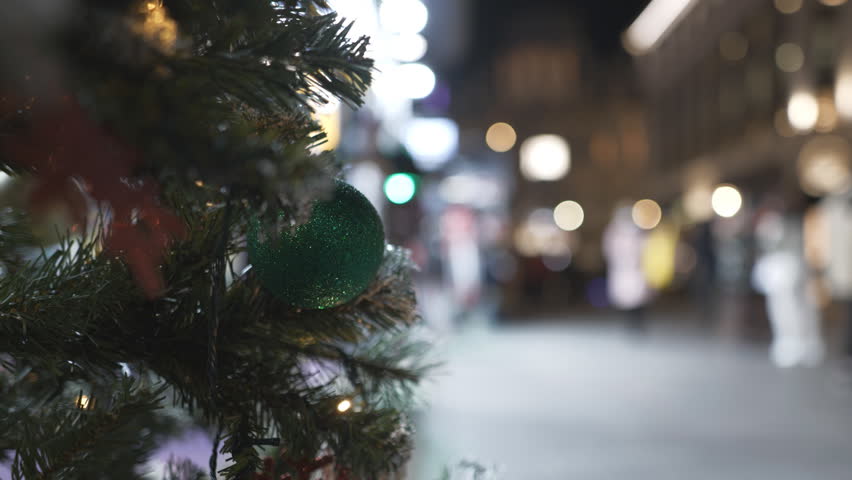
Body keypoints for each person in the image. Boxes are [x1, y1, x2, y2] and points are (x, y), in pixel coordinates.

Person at [752, 196, 825, 367]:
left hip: (790, 272)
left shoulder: (796, 225)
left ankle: (803, 342)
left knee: (799, 308)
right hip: (780, 275)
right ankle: (791, 342)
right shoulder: (773, 226)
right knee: (783, 309)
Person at [603, 205, 651, 331]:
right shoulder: (615, 232)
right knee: (630, 299)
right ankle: (632, 323)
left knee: (637, 299)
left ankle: (635, 323)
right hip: (625, 270)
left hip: (635, 270)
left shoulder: (633, 233)